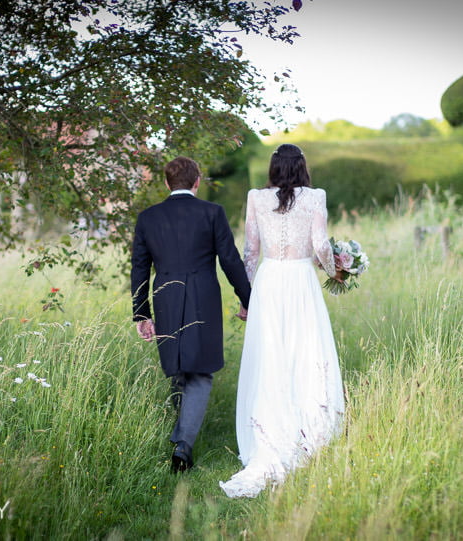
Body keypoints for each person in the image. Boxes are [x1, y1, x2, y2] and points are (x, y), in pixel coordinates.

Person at [219, 143, 345, 498]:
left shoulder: (256, 197)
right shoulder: (315, 196)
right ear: (302, 167)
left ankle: (268, 433)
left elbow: (251, 250)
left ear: (274, 168)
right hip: (302, 280)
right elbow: (320, 242)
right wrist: (334, 269)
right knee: (307, 351)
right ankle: (311, 429)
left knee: (271, 356)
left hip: (270, 282)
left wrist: (247, 297)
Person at [131, 156, 251, 473]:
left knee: (183, 367)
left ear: (167, 183)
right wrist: (248, 299)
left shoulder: (148, 218)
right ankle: (183, 446)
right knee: (196, 371)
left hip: (165, 298)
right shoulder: (212, 213)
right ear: (197, 181)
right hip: (203, 298)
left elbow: (139, 269)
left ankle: (183, 438)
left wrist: (141, 313)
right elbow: (230, 260)